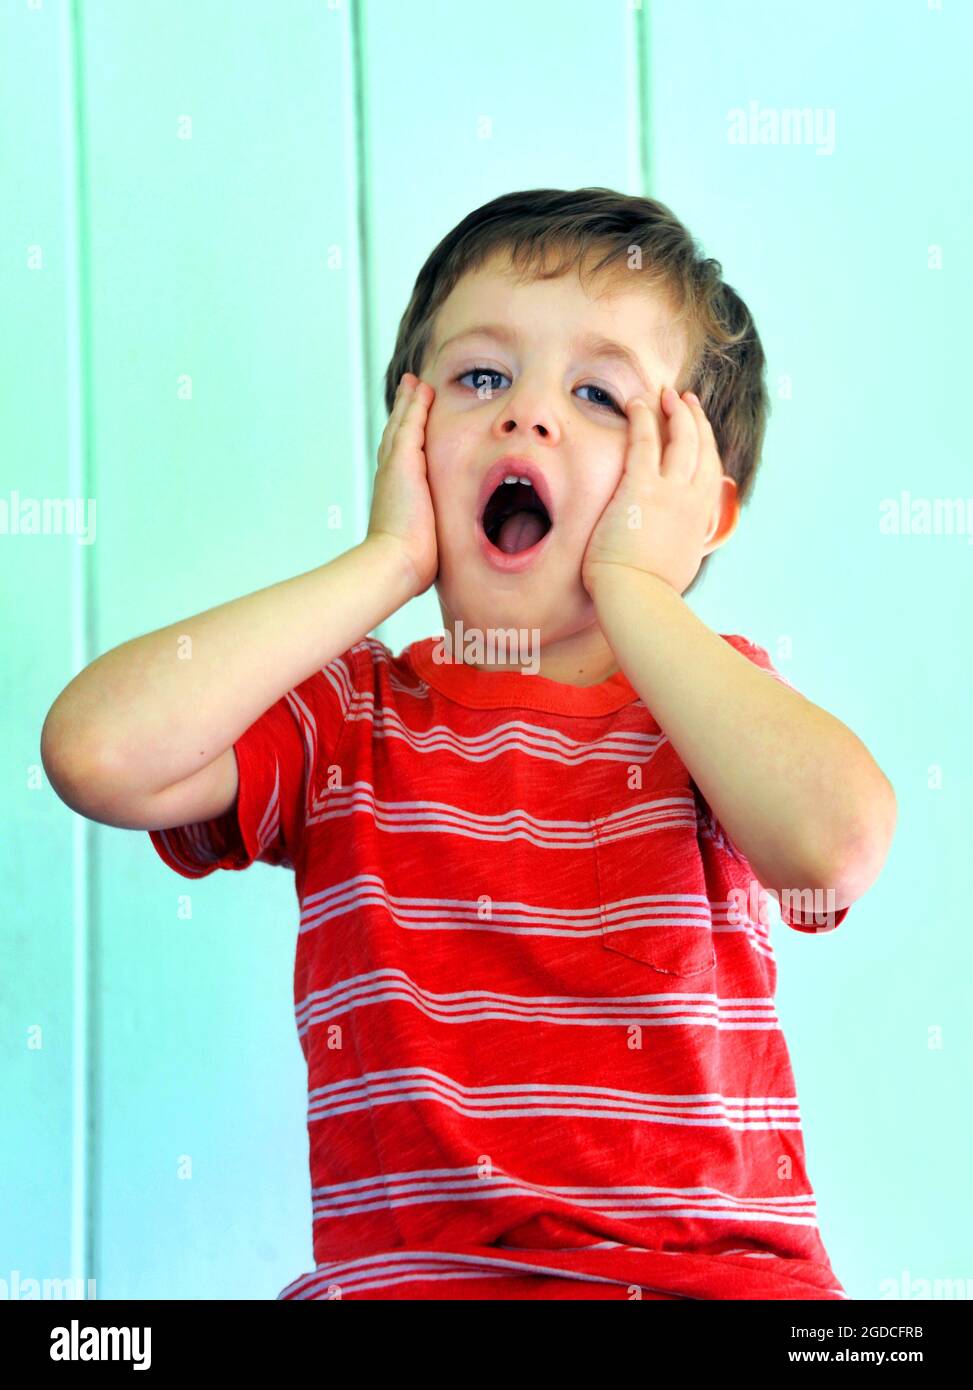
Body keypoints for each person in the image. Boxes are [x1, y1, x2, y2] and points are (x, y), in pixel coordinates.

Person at [41, 188, 897, 1300]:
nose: (525, 416)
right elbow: (96, 750)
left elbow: (833, 844)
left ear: (699, 504)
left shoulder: (708, 711)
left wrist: (638, 580)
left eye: (598, 394)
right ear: (409, 436)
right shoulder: (345, 718)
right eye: (482, 377)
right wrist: (385, 562)